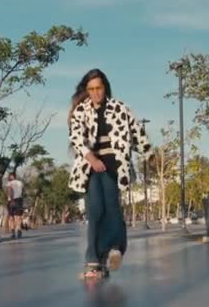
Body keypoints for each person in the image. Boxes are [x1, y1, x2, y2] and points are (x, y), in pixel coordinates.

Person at [68, 68, 152, 279]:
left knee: (112, 207)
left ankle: (115, 249)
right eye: (91, 89)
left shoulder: (120, 108)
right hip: (90, 166)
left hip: (114, 165)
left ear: (105, 87)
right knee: (95, 211)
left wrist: (150, 153)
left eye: (99, 88)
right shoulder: (80, 111)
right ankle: (94, 260)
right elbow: (76, 138)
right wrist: (92, 158)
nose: (95, 93)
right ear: (87, 91)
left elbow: (137, 132)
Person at [6, 172, 24, 239]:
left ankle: (13, 233)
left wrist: (12, 199)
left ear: (11, 176)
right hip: (19, 200)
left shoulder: (9, 183)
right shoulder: (20, 182)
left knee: (11, 218)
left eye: (9, 176)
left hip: (11, 200)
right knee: (18, 217)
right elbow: (22, 191)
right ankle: (19, 231)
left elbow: (9, 190)